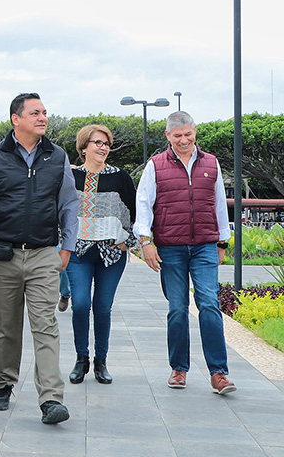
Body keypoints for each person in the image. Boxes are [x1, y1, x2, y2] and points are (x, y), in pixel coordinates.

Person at [0, 92, 77, 425]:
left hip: (44, 254)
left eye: (44, 112)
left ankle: (51, 399)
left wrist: (66, 246)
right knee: (3, 328)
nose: (42, 117)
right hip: (3, 255)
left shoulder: (57, 157)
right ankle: (2, 384)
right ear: (16, 119)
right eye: (35, 113)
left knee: (46, 326)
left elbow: (69, 204)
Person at [134, 111, 235, 395]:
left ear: (195, 132)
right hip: (171, 247)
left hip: (204, 245)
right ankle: (179, 368)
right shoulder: (155, 166)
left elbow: (219, 206)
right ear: (167, 136)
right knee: (177, 309)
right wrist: (145, 241)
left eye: (188, 134)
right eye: (177, 135)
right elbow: (143, 203)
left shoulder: (211, 164)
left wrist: (221, 243)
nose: (183, 140)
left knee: (209, 305)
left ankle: (219, 373)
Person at [66, 125, 136, 385]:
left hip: (112, 254)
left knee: (102, 307)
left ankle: (101, 361)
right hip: (79, 252)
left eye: (106, 143)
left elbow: (133, 212)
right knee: (81, 303)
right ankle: (81, 358)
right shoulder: (70, 178)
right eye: (97, 142)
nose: (103, 147)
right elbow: (59, 211)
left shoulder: (121, 177)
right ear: (84, 147)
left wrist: (127, 242)